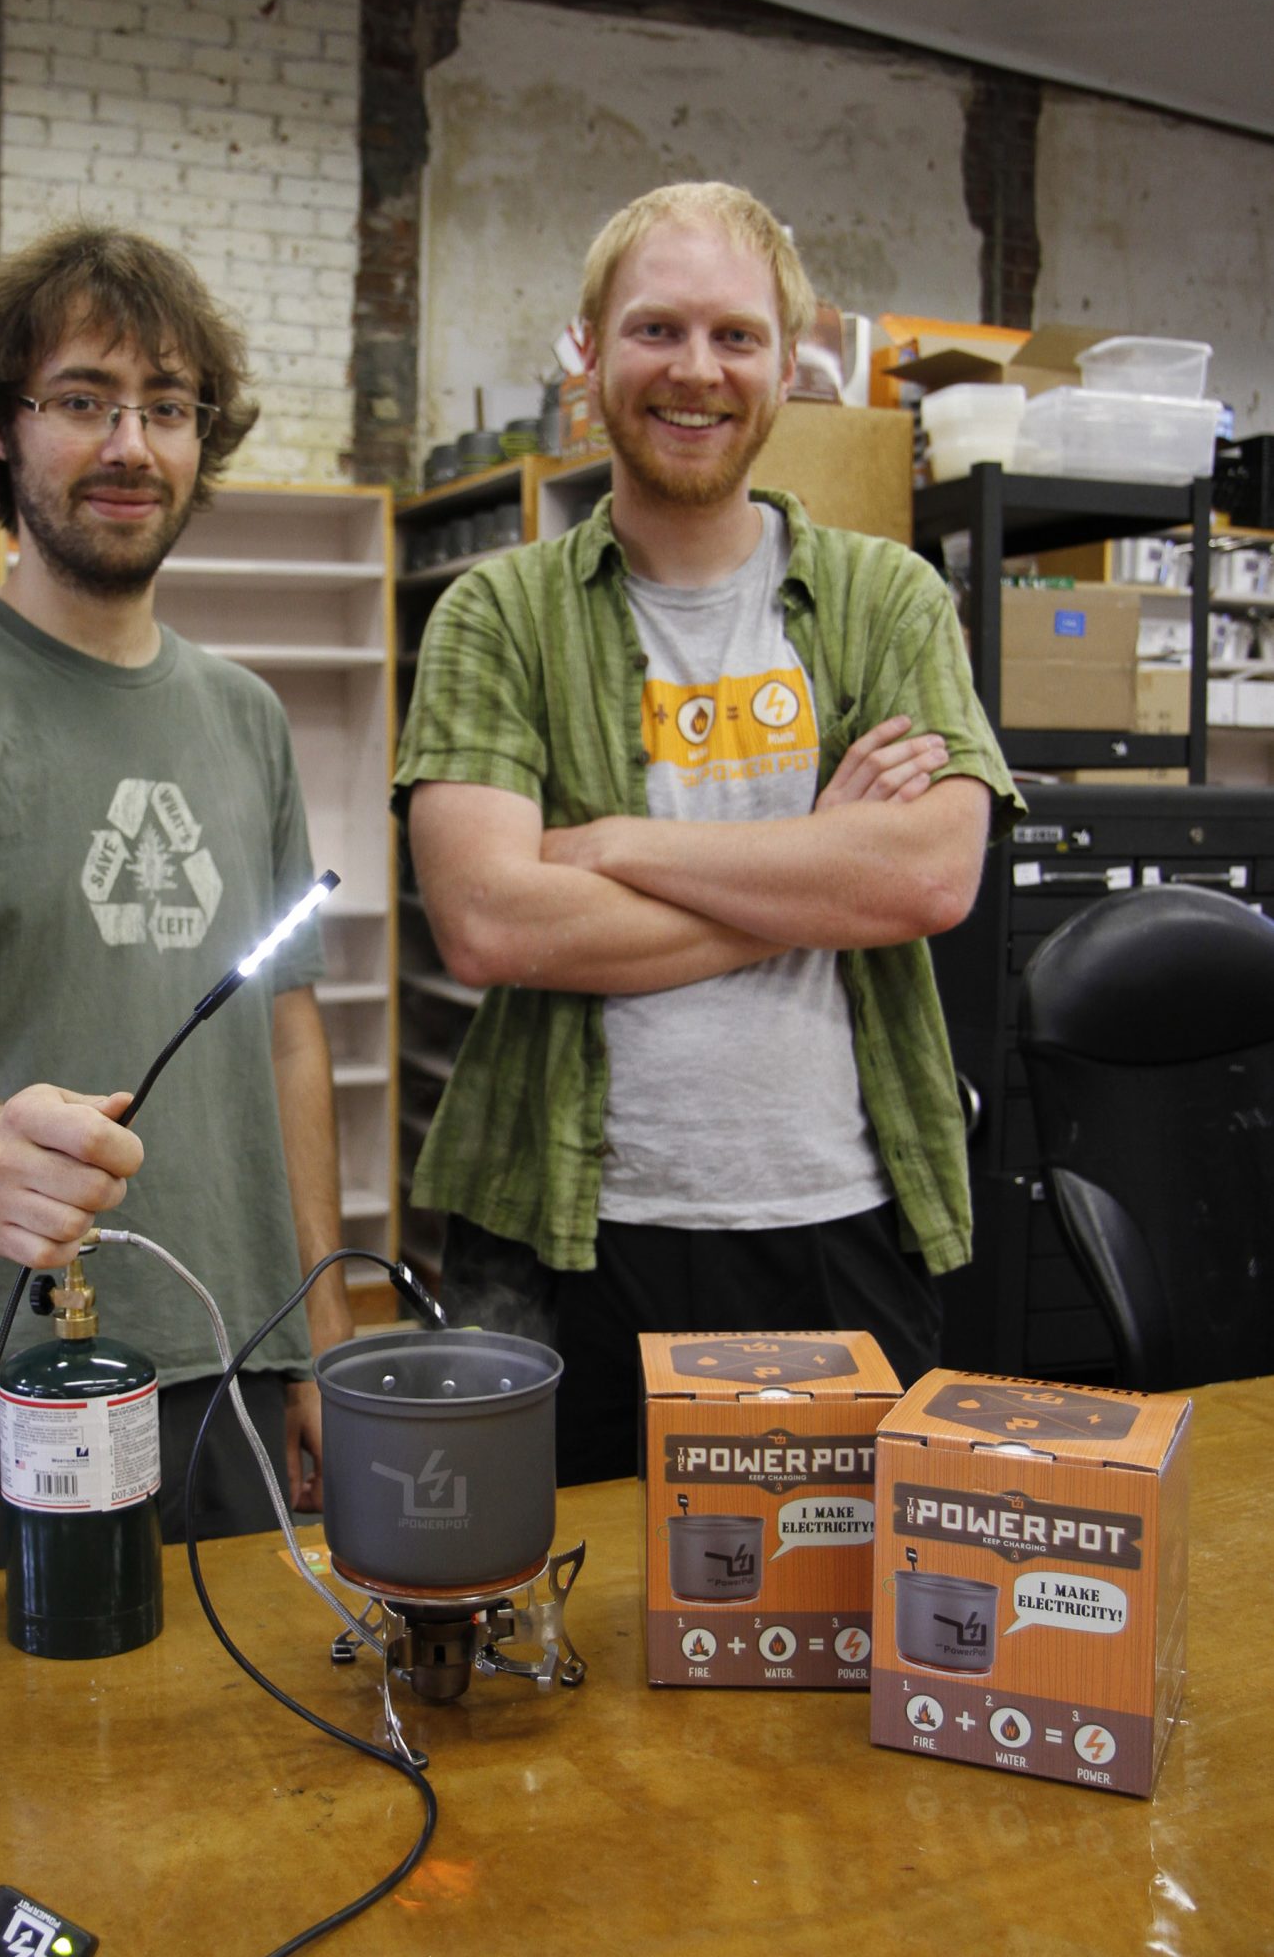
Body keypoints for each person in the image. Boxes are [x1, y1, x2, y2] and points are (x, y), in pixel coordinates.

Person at [395, 181, 1021, 1482]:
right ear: (591, 356)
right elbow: (491, 920)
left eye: (737, 336)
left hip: (840, 1219)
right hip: (566, 1237)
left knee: (838, 1641)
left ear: (790, 366)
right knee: (569, 1630)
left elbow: (928, 875)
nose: (697, 370)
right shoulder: (496, 618)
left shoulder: (886, 600)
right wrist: (814, 870)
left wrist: (615, 844)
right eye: (656, 330)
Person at [0, 223, 353, 1585]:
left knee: (236, 1778)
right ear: (1, 429)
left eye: (168, 408)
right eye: (84, 400)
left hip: (220, 1354)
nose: (131, 445)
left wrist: (317, 1336)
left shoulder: (246, 720)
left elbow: (286, 1039)